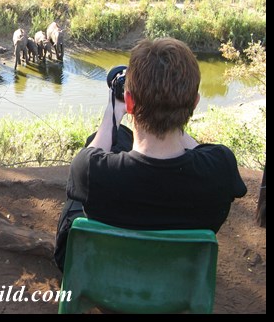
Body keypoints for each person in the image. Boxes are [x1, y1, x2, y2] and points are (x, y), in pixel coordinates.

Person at [54, 37, 247, 272]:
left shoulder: (90, 170)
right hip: (177, 275)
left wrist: (114, 112)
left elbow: (93, 151)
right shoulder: (222, 167)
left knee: (84, 185)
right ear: (195, 103)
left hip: (106, 274)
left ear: (129, 102)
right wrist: (175, 111)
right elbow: (201, 152)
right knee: (122, 137)